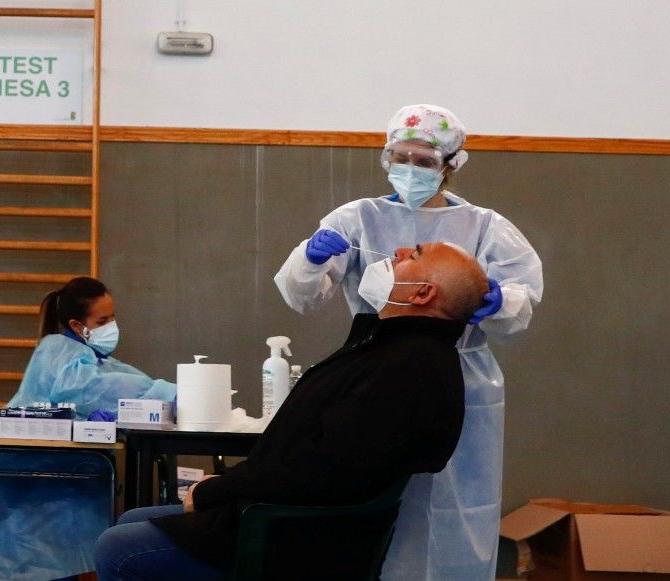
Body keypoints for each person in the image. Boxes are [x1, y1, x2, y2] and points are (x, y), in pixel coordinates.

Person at [94, 243, 489, 580]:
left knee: (119, 548)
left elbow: (322, 468)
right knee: (133, 521)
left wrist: (219, 488)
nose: (399, 251)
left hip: (297, 536)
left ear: (422, 294)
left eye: (414, 254)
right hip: (290, 515)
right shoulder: (393, 349)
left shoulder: (409, 367)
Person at [274, 104, 544, 580]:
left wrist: (500, 301)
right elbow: (302, 296)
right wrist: (309, 260)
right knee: (375, 497)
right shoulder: (357, 218)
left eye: (424, 161)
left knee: (455, 505)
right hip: (377, 372)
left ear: (450, 166)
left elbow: (521, 300)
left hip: (461, 377)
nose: (411, 170)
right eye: (401, 158)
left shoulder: (484, 227)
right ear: (385, 157)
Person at [0, 276, 177, 581]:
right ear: (78, 326)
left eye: (113, 317)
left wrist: (162, 393)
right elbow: (89, 388)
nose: (111, 325)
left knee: (58, 555)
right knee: (24, 557)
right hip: (26, 469)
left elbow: (125, 382)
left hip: (56, 469)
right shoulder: (57, 350)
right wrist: (165, 392)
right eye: (103, 320)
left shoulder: (93, 357)